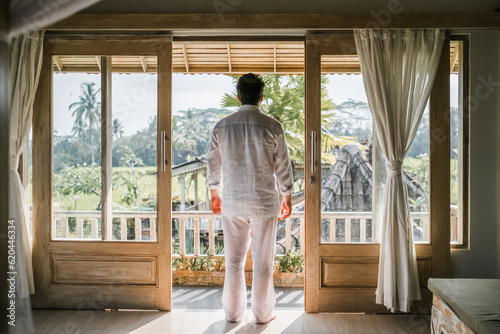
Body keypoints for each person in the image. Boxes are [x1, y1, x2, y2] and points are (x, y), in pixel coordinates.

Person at [206, 73, 294, 324]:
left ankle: (232, 315)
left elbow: (213, 163)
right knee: (263, 262)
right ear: (261, 98)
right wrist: (286, 195)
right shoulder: (272, 126)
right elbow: (283, 167)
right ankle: (263, 314)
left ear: (238, 96)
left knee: (234, 261)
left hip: (232, 202)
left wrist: (214, 193)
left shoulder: (222, 126)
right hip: (264, 203)